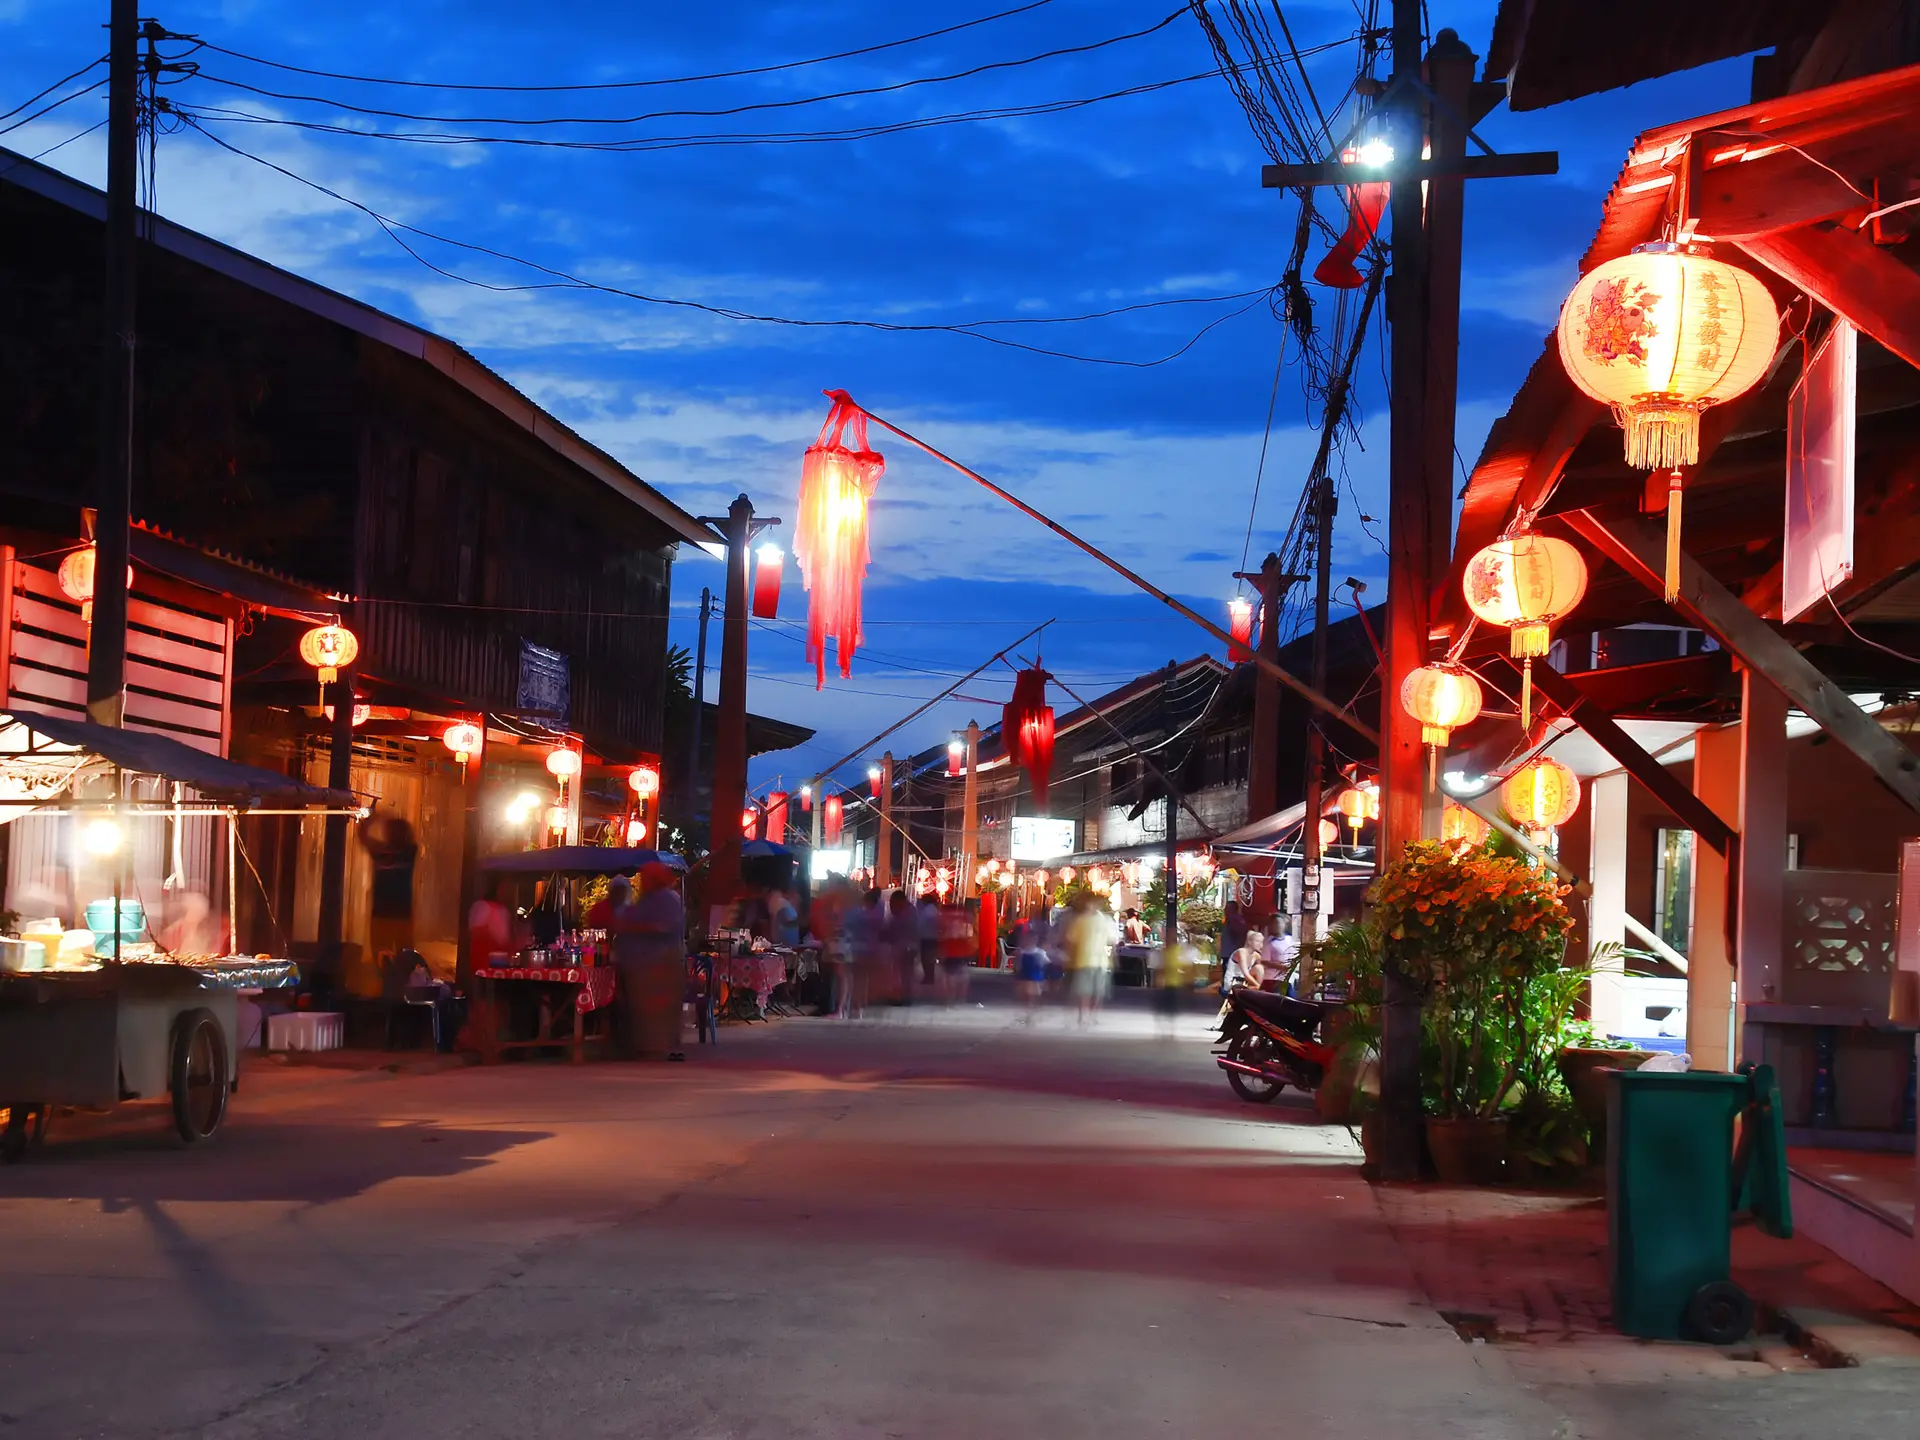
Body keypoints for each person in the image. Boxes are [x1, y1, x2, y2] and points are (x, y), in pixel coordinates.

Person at [611, 862, 686, 1061]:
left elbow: (663, 926)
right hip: (642, 963)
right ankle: (648, 1046)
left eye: (645, 878)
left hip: (657, 963)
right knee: (645, 1010)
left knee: (658, 1009)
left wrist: (633, 927)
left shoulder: (668, 899)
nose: (642, 882)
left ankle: (659, 1047)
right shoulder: (648, 900)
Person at [1062, 892, 1114, 1027]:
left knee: (1096, 992)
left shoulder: (1104, 920)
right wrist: (1069, 957)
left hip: (1099, 961)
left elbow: (1112, 940)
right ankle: (1084, 1016)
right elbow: (1071, 940)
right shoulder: (1080, 920)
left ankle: (1091, 1015)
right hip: (1083, 960)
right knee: (1084, 991)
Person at [1224, 929, 1265, 994]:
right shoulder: (1241, 952)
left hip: (1244, 982)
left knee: (1259, 968)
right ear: (1249, 942)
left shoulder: (1256, 955)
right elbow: (1246, 974)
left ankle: (1258, 992)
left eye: (1261, 942)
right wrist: (1259, 986)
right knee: (1258, 986)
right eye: (1257, 941)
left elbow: (1265, 968)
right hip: (1234, 982)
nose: (1260, 945)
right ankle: (1259, 991)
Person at [916, 893, 941, 986]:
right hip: (930, 937)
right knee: (928, 958)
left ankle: (929, 977)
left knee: (927, 958)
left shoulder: (929, 910)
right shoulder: (932, 910)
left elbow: (925, 923)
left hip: (928, 937)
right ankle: (929, 976)